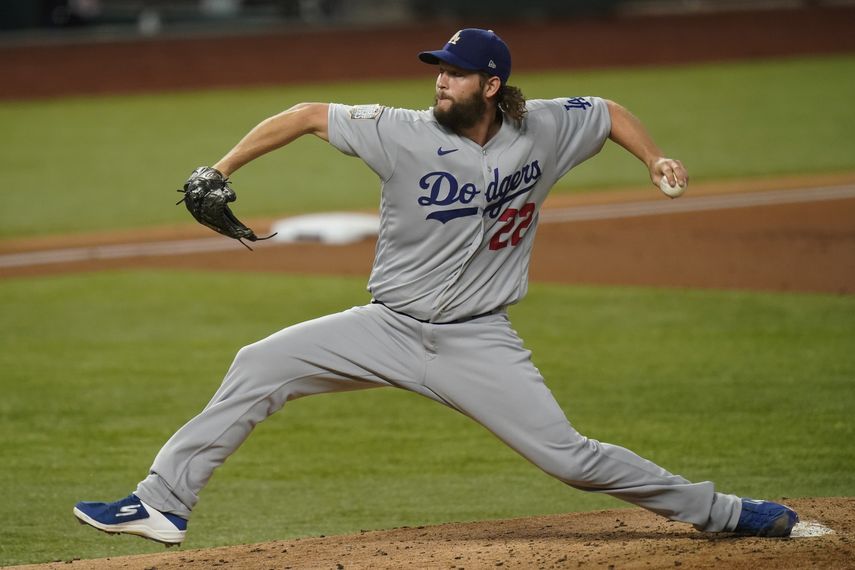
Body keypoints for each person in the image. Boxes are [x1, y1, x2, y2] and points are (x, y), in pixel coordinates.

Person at [73, 28, 798, 545]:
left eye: (452, 72)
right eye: (436, 69)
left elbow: (606, 112)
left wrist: (653, 156)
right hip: (385, 328)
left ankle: (722, 512)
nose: (438, 80)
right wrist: (221, 169)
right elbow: (302, 116)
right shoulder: (400, 131)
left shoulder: (542, 128)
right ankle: (160, 504)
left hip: (476, 340)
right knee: (259, 363)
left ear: (490, 84)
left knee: (568, 459)